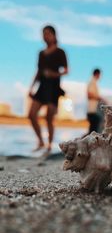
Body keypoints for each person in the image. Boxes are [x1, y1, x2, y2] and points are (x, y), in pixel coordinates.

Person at [28, 25, 68, 153]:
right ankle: (40, 141)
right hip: (42, 86)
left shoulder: (60, 52)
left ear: (54, 35)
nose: (45, 36)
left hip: (54, 87)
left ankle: (49, 145)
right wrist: (31, 87)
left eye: (48, 33)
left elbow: (66, 70)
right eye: (43, 33)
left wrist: (53, 74)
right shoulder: (41, 53)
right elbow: (38, 72)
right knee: (31, 114)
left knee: (49, 118)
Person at [87, 68, 105, 134]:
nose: (100, 77)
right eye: (100, 75)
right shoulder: (92, 82)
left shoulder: (93, 82)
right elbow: (89, 95)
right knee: (92, 133)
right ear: (97, 74)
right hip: (92, 111)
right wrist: (100, 98)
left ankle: (78, 142)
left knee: (92, 132)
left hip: (94, 111)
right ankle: (77, 142)